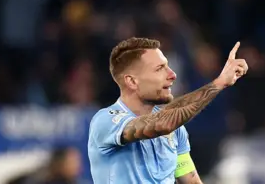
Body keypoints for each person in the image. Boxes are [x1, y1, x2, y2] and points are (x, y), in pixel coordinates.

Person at [88, 37, 248, 183]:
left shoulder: (176, 131)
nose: (172, 75)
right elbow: (161, 124)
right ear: (132, 81)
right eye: (159, 69)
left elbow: (191, 180)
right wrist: (218, 84)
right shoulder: (106, 121)